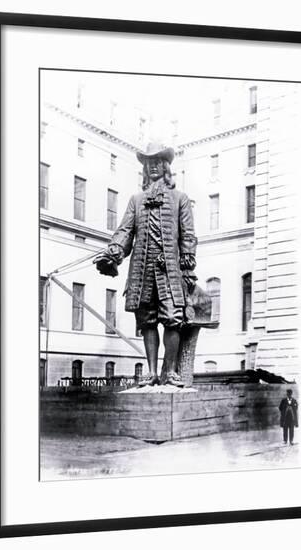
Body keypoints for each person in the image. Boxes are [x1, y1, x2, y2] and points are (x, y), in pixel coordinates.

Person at [95, 142, 197, 387]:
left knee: (173, 318)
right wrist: (114, 252)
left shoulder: (180, 198)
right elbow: (125, 231)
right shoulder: (136, 200)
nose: (152, 167)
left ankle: (170, 372)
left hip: (170, 271)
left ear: (165, 166)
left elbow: (189, 234)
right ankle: (152, 372)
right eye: (148, 163)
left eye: (157, 162)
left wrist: (186, 262)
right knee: (147, 321)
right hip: (142, 271)